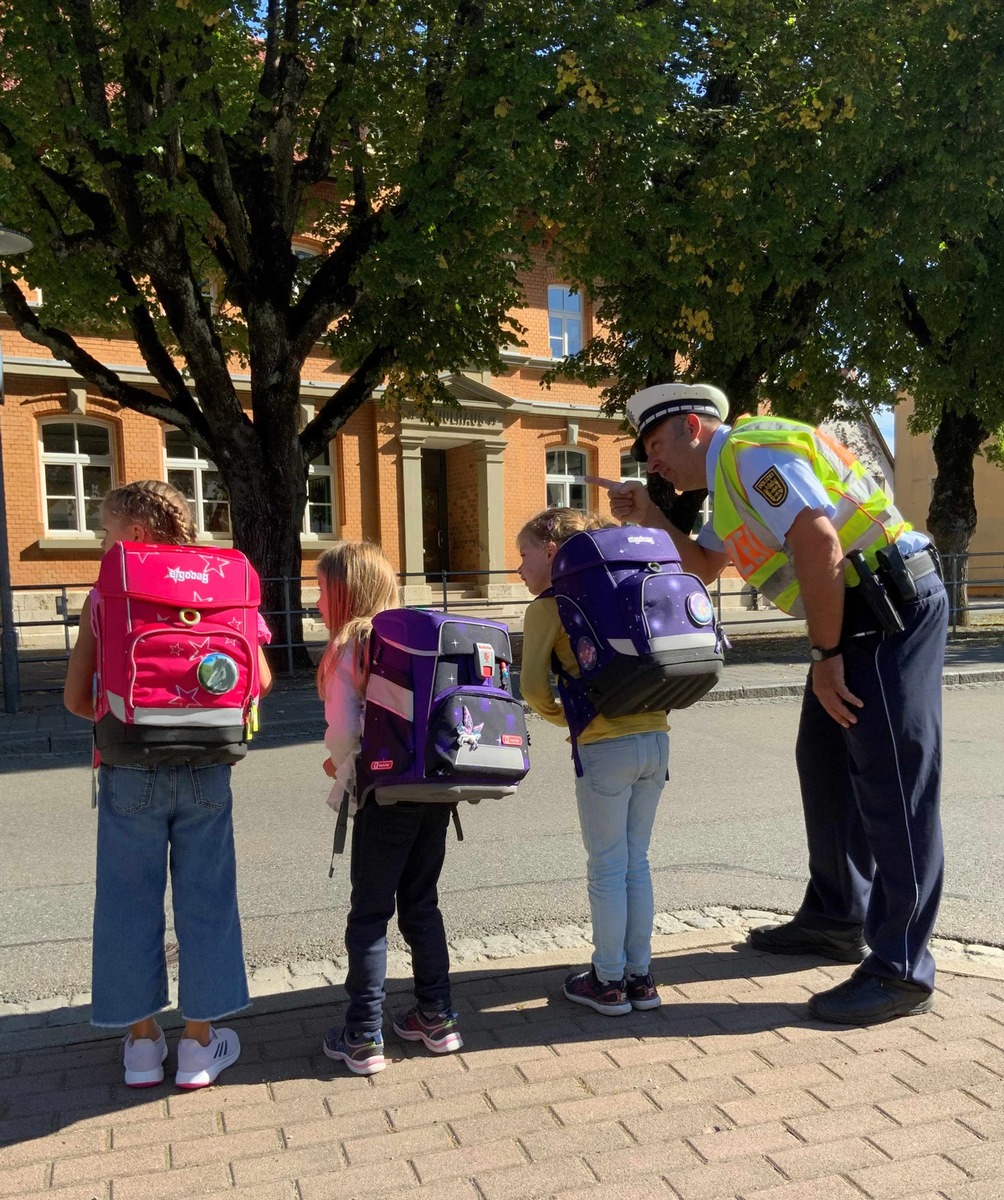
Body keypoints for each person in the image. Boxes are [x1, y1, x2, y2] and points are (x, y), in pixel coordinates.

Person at [598, 382, 948, 1025]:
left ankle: (901, 968)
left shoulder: (751, 454)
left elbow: (820, 543)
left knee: (893, 779)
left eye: (654, 444)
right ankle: (836, 916)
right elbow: (703, 565)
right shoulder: (725, 491)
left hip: (887, 609)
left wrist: (824, 656)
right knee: (824, 763)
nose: (652, 462)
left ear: (693, 428)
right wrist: (649, 514)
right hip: (858, 615)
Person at [63, 480, 273, 1087]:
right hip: (209, 766)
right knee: (208, 900)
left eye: (106, 531)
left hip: (129, 766)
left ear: (133, 533)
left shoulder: (108, 595)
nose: (105, 543)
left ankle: (142, 1048)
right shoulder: (227, 583)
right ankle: (200, 1048)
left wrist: (134, 711)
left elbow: (79, 698)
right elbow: (255, 679)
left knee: (127, 904)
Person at [316, 541, 463, 1075]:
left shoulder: (351, 646)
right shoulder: (408, 638)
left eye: (321, 590)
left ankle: (363, 1034)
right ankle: (437, 1016)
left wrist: (340, 765)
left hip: (385, 795)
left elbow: (343, 731)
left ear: (344, 592)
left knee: (371, 914)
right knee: (421, 904)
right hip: (435, 793)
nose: (315, 603)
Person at [517, 507, 670, 1016]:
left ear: (553, 552)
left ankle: (606, 982)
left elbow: (534, 691)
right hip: (656, 736)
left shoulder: (547, 607)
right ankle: (640, 979)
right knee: (636, 861)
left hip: (605, 749)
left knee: (606, 866)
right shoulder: (627, 584)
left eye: (524, 554)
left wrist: (571, 721)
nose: (519, 568)